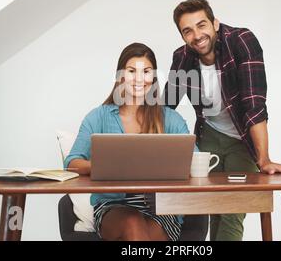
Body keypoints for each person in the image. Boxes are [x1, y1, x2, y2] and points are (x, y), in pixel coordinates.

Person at [163, 0, 281, 241]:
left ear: (215, 22)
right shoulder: (182, 57)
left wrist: (263, 159)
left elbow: (253, 104)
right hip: (209, 134)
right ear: (182, 36)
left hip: (242, 137)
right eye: (187, 31)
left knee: (234, 209)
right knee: (215, 206)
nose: (197, 35)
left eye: (201, 25)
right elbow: (166, 107)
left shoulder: (241, 41)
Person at [64, 43, 192, 241]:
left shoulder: (171, 119)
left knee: (137, 230)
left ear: (154, 77)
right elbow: (72, 163)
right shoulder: (98, 117)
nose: (139, 79)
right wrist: (106, 167)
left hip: (162, 209)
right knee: (132, 222)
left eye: (146, 71)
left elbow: (193, 161)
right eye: (132, 71)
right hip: (113, 208)